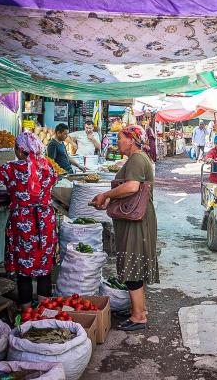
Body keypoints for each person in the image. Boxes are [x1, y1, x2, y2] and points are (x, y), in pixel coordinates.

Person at [0, 132, 58, 308]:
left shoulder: (11, 168)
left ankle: (27, 313)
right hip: (45, 221)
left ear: (21, 151)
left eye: (15, 148)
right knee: (44, 268)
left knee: (24, 271)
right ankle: (44, 313)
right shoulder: (48, 166)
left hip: (24, 223)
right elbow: (50, 182)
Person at [90, 125, 158, 331]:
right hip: (137, 218)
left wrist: (105, 195)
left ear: (131, 140)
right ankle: (140, 310)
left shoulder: (137, 158)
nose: (116, 142)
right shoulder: (137, 158)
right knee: (134, 263)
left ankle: (138, 316)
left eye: (119, 138)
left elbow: (132, 187)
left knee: (132, 265)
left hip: (137, 221)